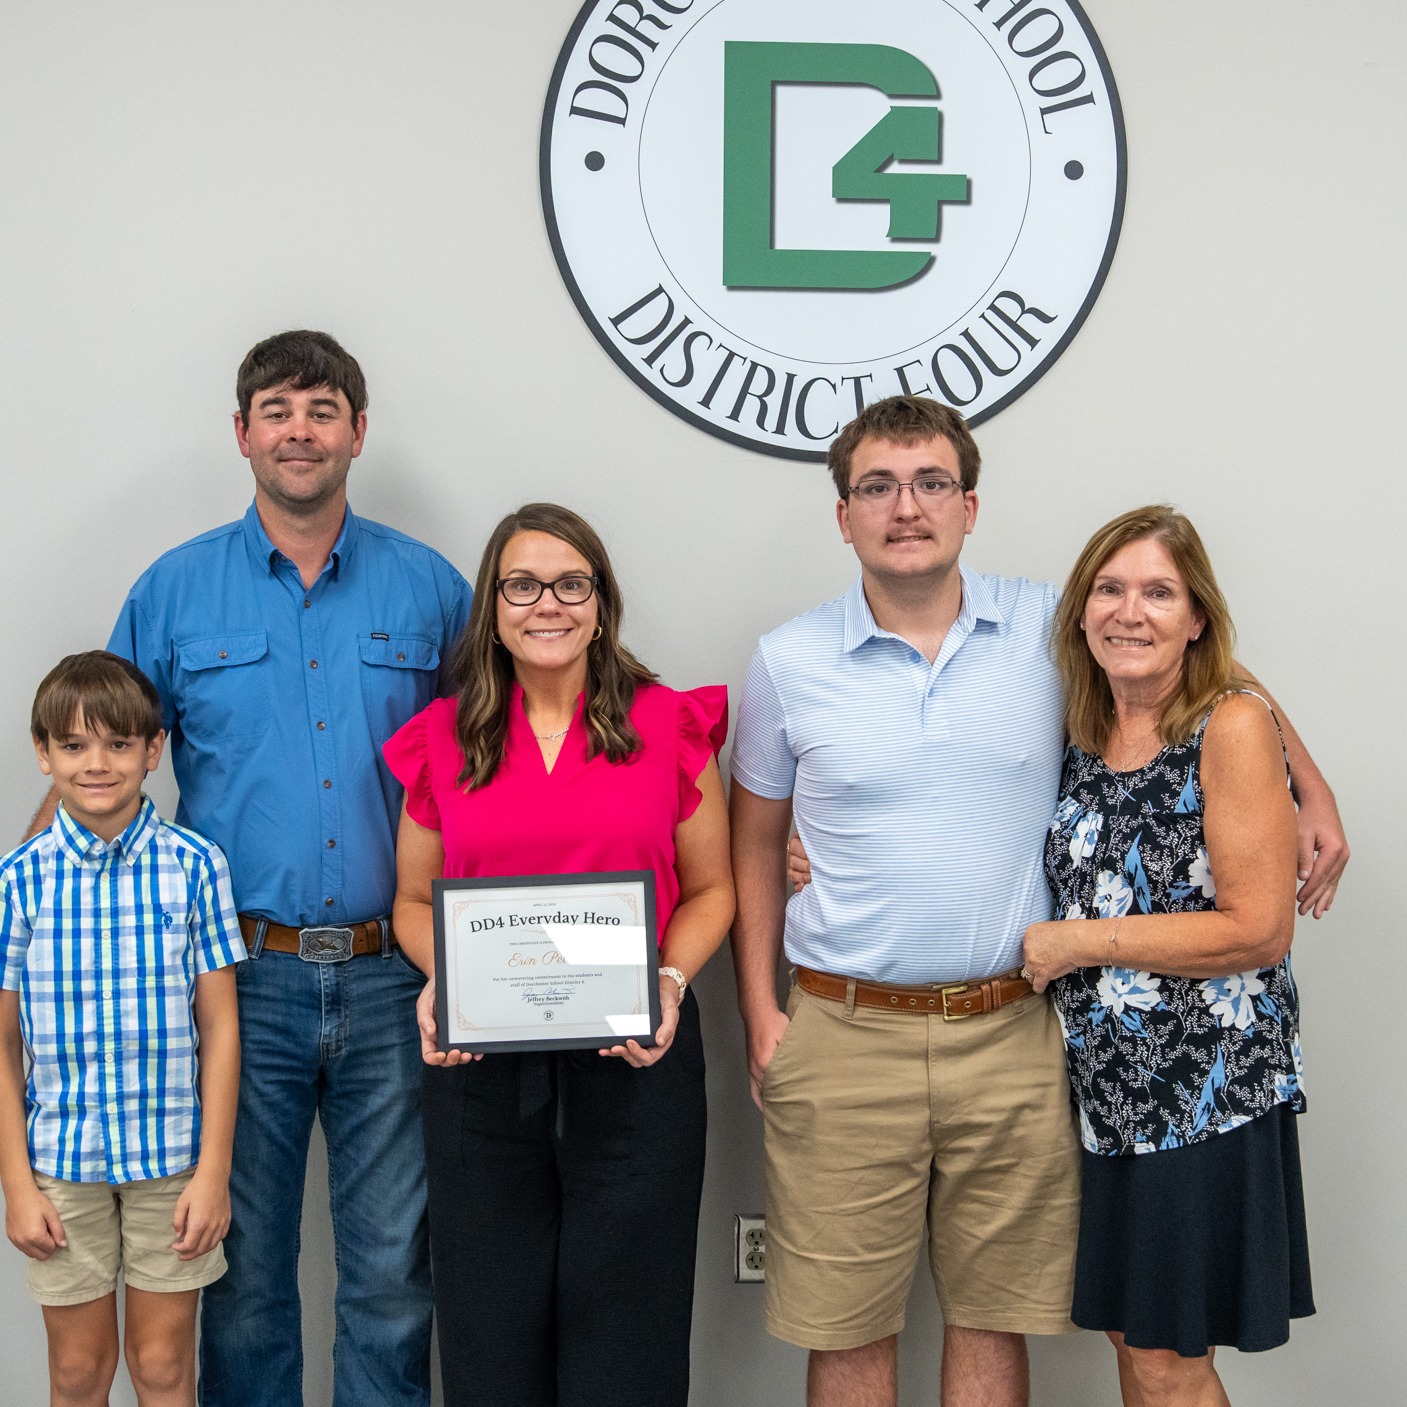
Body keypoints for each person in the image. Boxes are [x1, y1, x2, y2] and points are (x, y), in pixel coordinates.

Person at [729, 396, 1346, 1407]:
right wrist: (760, 1010)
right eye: (877, 487)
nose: (906, 507)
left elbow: (1197, 654)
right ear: (844, 517)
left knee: (991, 1315)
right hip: (843, 1029)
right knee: (843, 1327)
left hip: (1012, 1031)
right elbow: (753, 837)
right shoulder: (785, 661)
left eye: (931, 483)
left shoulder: (1044, 628)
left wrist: (1306, 784)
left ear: (970, 505)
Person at [25, 331, 473, 1407]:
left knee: (391, 1279)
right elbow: (102, 761)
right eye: (277, 410)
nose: (300, 430)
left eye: (323, 409)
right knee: (242, 1274)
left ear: (359, 431)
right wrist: (23, 899)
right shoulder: (174, 592)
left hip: (395, 977)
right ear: (243, 435)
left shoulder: (432, 590)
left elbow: (494, 760)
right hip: (233, 984)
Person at [384, 502, 734, 1407]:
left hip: (637, 1055)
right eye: (523, 584)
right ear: (493, 607)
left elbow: (712, 891)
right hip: (479, 1065)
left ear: (601, 601)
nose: (549, 604)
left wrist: (666, 979)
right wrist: (442, 982)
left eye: (571, 583)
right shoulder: (444, 735)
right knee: (489, 1327)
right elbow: (413, 903)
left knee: (630, 1330)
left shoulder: (667, 724)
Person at [1022, 506, 1313, 1406]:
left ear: (1196, 616)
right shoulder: (1078, 726)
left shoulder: (1225, 724)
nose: (1129, 611)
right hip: (1106, 1092)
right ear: (1079, 610)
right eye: (1109, 589)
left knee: (1165, 1356)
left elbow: (1260, 926)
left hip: (1201, 1092)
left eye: (1158, 592)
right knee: (1132, 1335)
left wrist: (1079, 942)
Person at [1, 652, 243, 1407]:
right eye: (73, 745)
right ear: (43, 754)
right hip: (60, 1165)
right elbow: (2, 1044)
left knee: (164, 1365)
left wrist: (212, 1172)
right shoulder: (18, 881)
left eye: (117, 743)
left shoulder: (196, 866)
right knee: (76, 1373)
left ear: (153, 749)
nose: (97, 763)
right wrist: (16, 1182)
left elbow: (223, 1028)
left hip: (170, 1163)